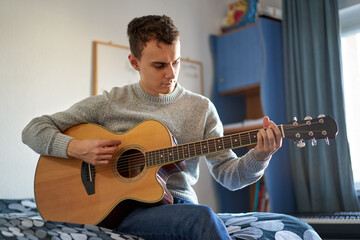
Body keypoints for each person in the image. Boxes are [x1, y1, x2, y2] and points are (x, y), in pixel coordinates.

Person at [22, 15, 320, 240]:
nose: (171, 74)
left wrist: (260, 157)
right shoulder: (111, 102)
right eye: (159, 65)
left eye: (176, 62)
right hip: (121, 211)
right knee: (201, 219)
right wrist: (77, 147)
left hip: (177, 205)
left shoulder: (201, 108)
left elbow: (229, 176)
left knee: (198, 216)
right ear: (134, 62)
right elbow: (34, 129)